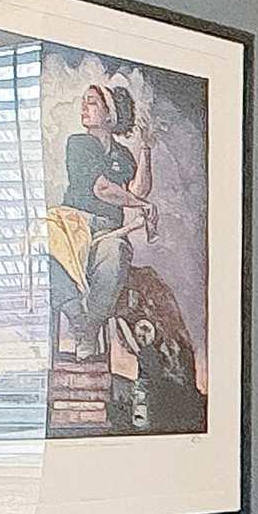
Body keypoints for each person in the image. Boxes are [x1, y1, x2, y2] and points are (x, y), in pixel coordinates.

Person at [49, 80, 153, 359]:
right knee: (43, 251)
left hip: (108, 231)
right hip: (73, 226)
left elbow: (137, 190)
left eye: (92, 102)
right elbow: (102, 189)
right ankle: (78, 318)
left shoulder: (123, 154)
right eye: (84, 100)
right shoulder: (79, 144)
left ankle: (92, 326)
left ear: (110, 115)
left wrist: (146, 149)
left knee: (116, 254)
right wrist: (143, 205)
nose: (84, 106)